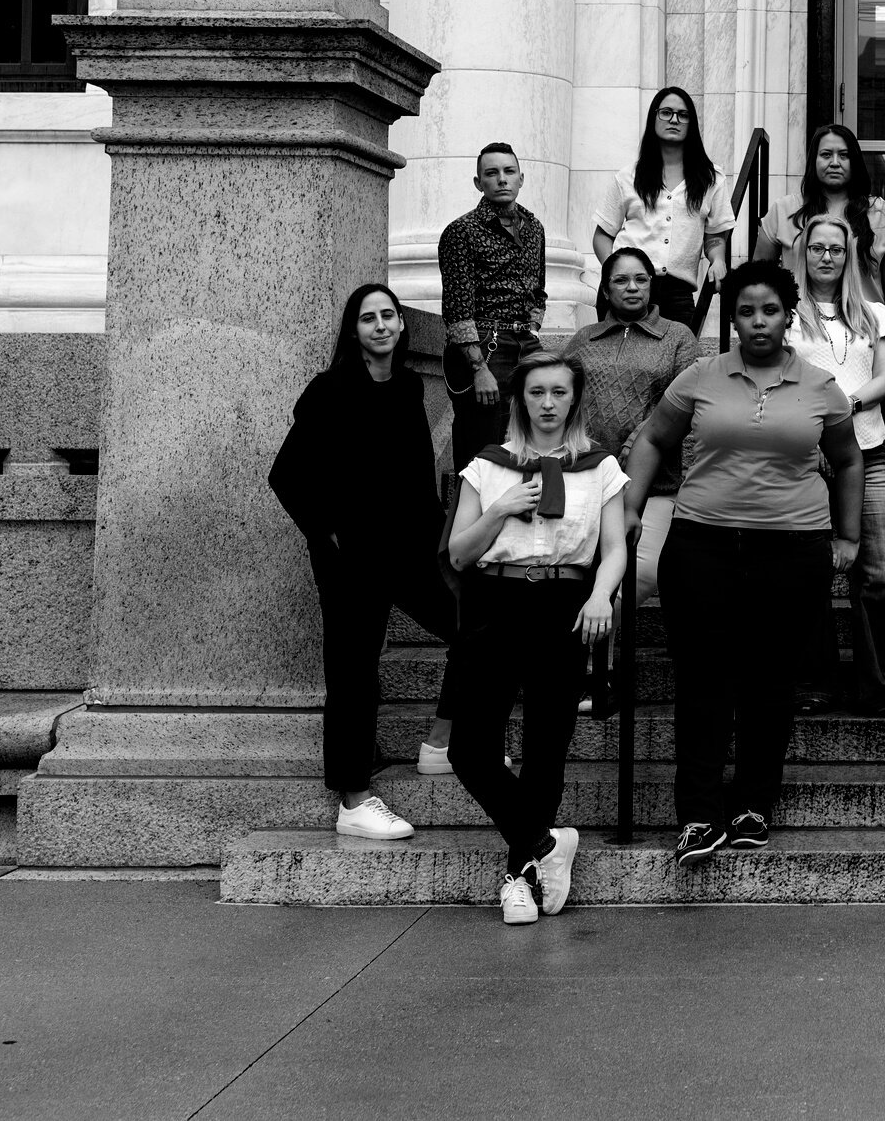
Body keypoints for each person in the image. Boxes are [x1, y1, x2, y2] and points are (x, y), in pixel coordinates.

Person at [625, 261, 863, 865]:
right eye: (746, 311)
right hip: (701, 546)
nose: (759, 322)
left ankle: (755, 803)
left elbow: (849, 460)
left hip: (793, 551)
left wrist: (849, 537)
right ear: (730, 317)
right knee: (703, 679)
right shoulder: (700, 376)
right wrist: (628, 510)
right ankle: (699, 816)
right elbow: (652, 438)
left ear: (789, 315)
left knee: (770, 681)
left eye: (771, 311)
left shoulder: (819, 385)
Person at [443, 352, 630, 925]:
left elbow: (616, 546)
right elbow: (458, 553)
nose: (547, 403)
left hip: (563, 605)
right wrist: (499, 509)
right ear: (519, 399)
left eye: (559, 392)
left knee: (546, 749)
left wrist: (602, 596)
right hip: (496, 602)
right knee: (469, 749)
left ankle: (519, 875)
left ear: (574, 398)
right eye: (536, 393)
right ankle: (547, 844)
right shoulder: (488, 466)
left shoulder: (600, 467)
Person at [269, 283, 456, 840]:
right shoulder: (330, 390)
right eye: (369, 318)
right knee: (353, 671)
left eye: (389, 316)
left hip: (408, 549)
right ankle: (353, 798)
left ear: (401, 326)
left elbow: (421, 476)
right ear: (354, 330)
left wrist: (439, 544)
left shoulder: (408, 388)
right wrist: (329, 534)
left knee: (472, 629)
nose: (381, 325)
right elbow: (287, 475)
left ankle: (443, 744)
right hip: (349, 557)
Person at [560, 244, 701, 702]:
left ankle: (597, 670)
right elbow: (560, 399)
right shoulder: (584, 339)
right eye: (621, 280)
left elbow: (678, 409)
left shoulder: (677, 337)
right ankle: (587, 674)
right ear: (605, 287)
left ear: (652, 284)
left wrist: (625, 456)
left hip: (654, 484)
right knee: (572, 577)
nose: (632, 287)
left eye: (640, 279)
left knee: (633, 578)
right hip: (584, 481)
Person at [783, 214, 885, 714]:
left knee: (876, 575)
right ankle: (817, 683)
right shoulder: (786, 313)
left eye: (836, 249)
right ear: (803, 253)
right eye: (818, 248)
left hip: (869, 453)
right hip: (804, 459)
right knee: (809, 576)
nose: (827, 257)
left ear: (849, 254)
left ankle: (878, 687)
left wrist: (844, 405)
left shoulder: (874, 313)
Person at [440, 142, 549, 468]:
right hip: (484, 349)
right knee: (482, 454)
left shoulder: (535, 228)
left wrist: (532, 328)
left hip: (526, 346)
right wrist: (478, 368)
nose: (502, 179)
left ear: (520, 178)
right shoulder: (462, 231)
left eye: (508, 171)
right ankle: (469, 518)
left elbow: (538, 289)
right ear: (479, 182)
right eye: (492, 173)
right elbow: (457, 309)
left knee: (525, 446)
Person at [593, 86, 734, 330]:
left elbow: (715, 236)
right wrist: (615, 274)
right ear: (654, 118)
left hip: (677, 292)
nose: (674, 120)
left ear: (691, 122)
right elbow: (603, 235)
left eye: (683, 114)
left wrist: (718, 260)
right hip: (627, 288)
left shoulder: (711, 179)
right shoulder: (628, 176)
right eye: (666, 112)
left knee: (679, 363)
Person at [757, 121, 885, 317]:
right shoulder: (783, 210)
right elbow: (759, 276)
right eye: (826, 154)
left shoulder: (881, 212)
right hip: (799, 331)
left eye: (844, 155)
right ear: (814, 160)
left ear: (854, 161)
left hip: (865, 330)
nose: (835, 162)